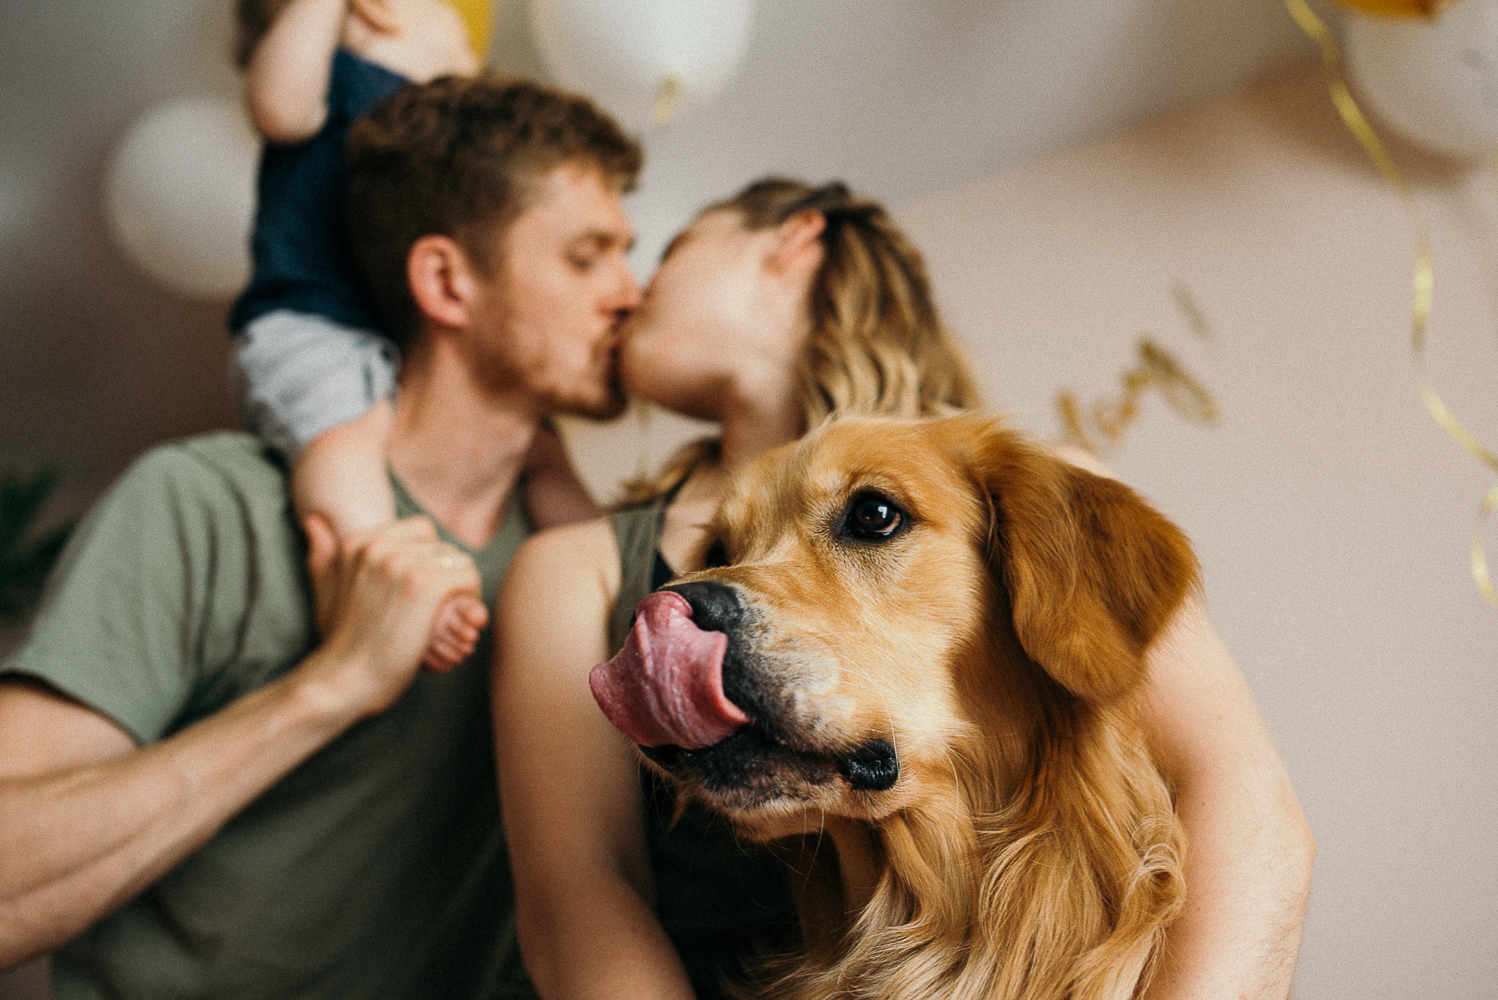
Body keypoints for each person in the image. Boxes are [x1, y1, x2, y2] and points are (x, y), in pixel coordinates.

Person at [492, 178, 1317, 1000]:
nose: (630, 289)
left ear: (793, 243)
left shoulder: (1031, 487)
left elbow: (1244, 797)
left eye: (667, 250)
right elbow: (581, 905)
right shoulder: (581, 566)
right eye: (725, 550)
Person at [0, 73, 642, 1000]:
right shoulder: (201, 505)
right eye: (589, 257)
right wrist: (333, 683)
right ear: (446, 281)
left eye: (628, 253)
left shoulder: (581, 569)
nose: (630, 291)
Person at [229, 0, 596, 671]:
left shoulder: (423, 132)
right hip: (310, 321)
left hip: (395, 339)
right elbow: (279, 108)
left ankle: (621, 581)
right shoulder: (328, 74)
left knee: (540, 450)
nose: (463, 64)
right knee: (349, 438)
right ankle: (379, 575)